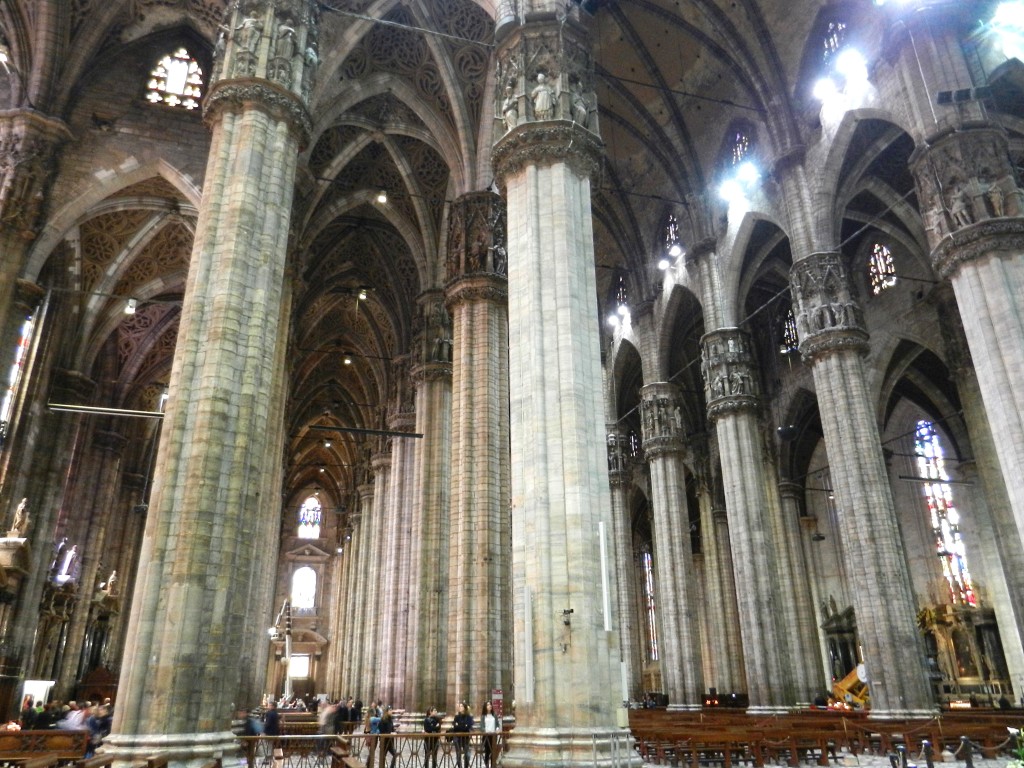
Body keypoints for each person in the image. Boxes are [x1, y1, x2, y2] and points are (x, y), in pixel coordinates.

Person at [451, 701, 473, 768]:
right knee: (458, 754)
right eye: (459, 706)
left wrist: (460, 726)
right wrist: (463, 725)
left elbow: (468, 726)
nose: (460, 707)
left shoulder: (468, 717)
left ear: (465, 708)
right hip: (457, 737)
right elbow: (455, 727)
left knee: (466, 754)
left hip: (465, 737)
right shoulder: (457, 717)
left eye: (462, 706)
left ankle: (466, 766)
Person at [480, 700, 499, 767]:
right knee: (487, 752)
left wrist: (497, 729)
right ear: (485, 707)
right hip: (486, 736)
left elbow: (497, 724)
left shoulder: (494, 715)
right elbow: (481, 726)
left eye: (490, 704)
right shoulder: (483, 716)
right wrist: (485, 731)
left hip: (493, 736)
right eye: (488, 705)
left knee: (493, 752)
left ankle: (493, 765)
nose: (489, 706)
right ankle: (487, 765)